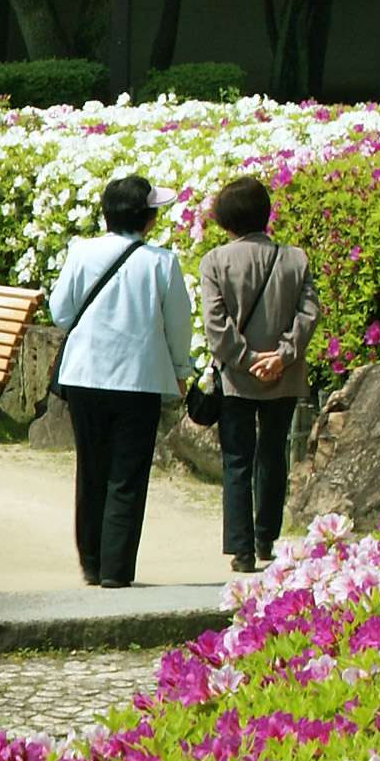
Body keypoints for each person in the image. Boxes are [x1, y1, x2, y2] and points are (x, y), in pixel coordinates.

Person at [48, 173, 197, 589]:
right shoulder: (161, 262)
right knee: (127, 475)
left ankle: (91, 562)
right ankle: (116, 570)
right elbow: (178, 326)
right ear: (147, 218)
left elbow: (60, 312)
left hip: (85, 375)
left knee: (91, 468)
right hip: (139, 380)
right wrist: (181, 372)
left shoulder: (82, 252)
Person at [197, 174, 316, 575]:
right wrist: (281, 357)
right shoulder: (295, 258)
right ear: (266, 215)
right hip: (284, 376)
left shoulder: (215, 262)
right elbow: (308, 313)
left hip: (236, 377)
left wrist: (247, 360)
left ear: (224, 221)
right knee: (273, 454)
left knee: (237, 461)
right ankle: (267, 538)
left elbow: (216, 324)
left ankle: (242, 549)